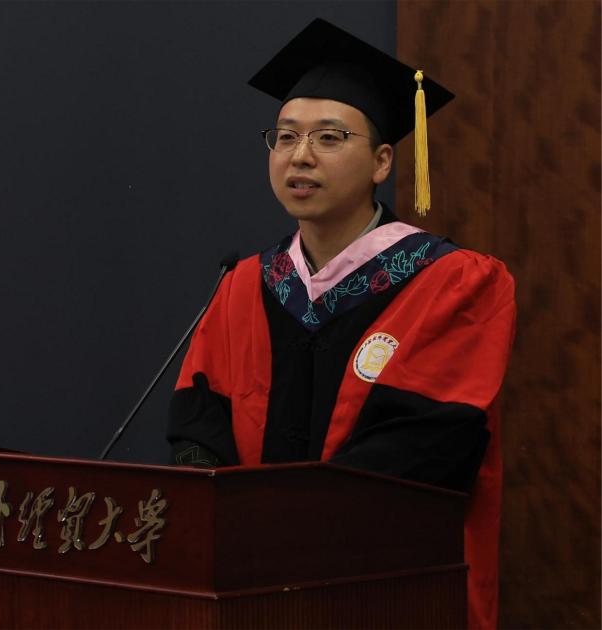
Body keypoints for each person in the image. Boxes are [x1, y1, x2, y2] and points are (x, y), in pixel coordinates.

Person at [166, 18, 515, 630]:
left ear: (382, 161)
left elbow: (429, 443)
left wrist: (289, 533)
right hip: (253, 592)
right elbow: (199, 425)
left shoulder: (454, 282)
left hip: (385, 587)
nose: (300, 156)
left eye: (329, 137)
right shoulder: (246, 284)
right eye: (284, 137)